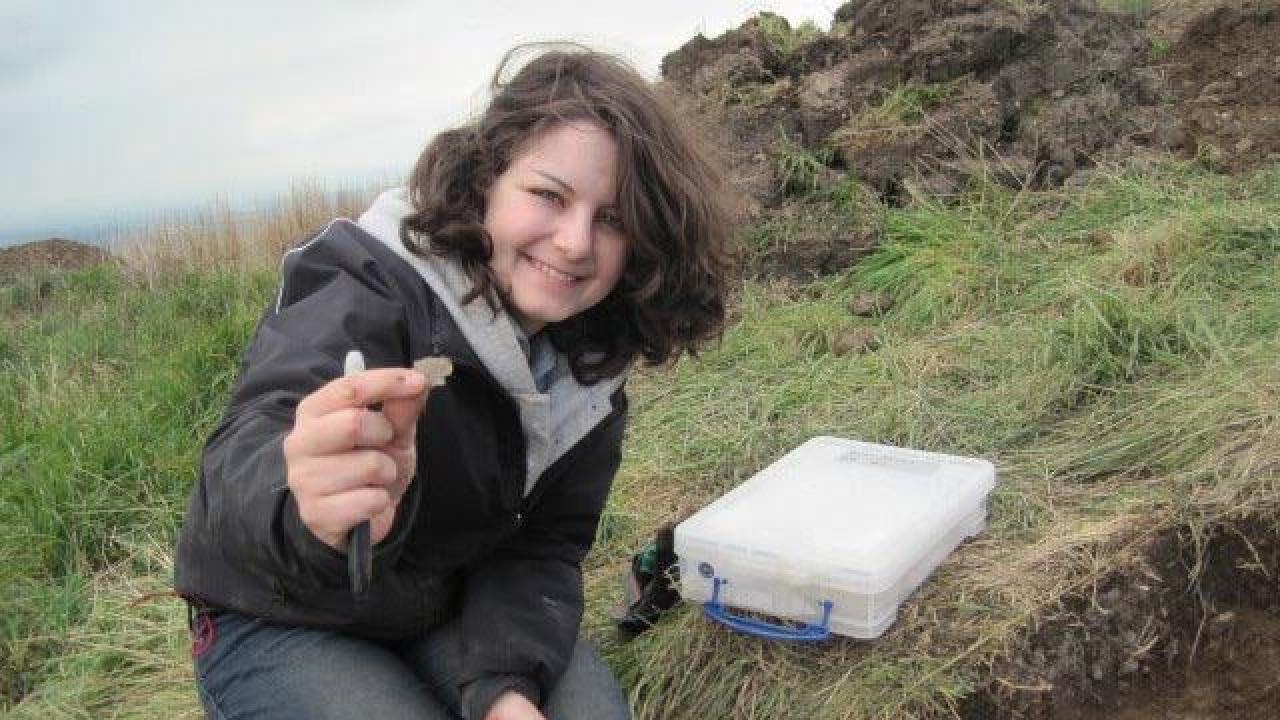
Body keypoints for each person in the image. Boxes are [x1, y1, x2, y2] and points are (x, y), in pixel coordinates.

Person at [173, 44, 735, 720]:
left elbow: (542, 545)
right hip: (282, 612)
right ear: (485, 181)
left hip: (442, 599)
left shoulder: (591, 364)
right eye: (548, 196)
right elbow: (248, 447)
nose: (575, 242)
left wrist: (506, 690)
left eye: (612, 219)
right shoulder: (365, 281)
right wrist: (303, 501)